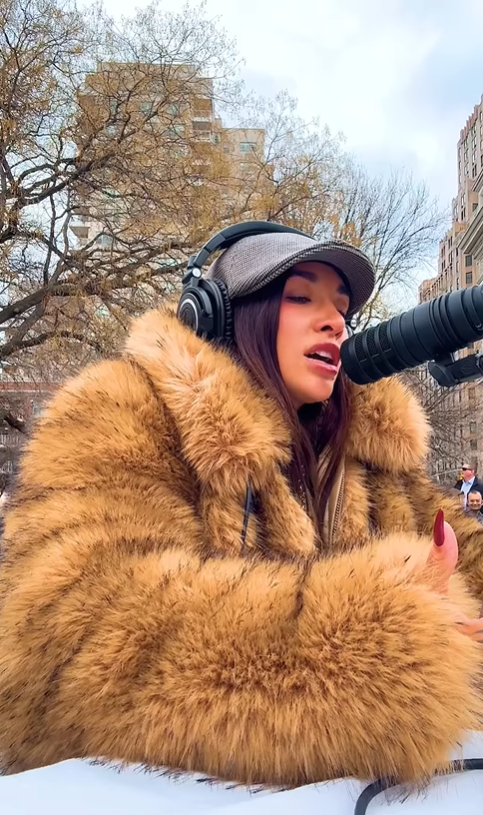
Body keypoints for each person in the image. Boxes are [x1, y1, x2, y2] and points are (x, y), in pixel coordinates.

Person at [1, 224, 483, 803]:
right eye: (301, 297)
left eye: (342, 308)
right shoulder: (120, 410)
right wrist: (377, 641)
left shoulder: (368, 455)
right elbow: (71, 629)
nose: (334, 322)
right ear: (220, 318)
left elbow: (465, 560)